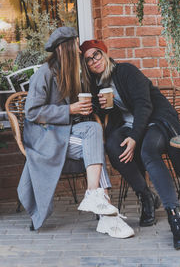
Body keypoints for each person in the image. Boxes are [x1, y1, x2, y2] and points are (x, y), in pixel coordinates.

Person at [18, 27, 134, 239]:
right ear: (64, 49)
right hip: (45, 136)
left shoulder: (69, 72)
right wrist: (69, 109)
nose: (80, 52)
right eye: (76, 46)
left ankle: (95, 196)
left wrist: (89, 106)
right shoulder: (43, 74)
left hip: (64, 131)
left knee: (92, 130)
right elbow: (32, 112)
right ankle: (107, 216)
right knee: (95, 146)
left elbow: (79, 107)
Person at [80, 39, 180, 250]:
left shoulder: (126, 71)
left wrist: (134, 137)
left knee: (148, 149)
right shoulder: (97, 86)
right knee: (113, 145)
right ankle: (146, 196)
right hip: (129, 125)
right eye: (88, 60)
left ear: (104, 54)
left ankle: (175, 216)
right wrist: (101, 107)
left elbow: (144, 105)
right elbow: (112, 117)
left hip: (156, 120)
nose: (93, 61)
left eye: (96, 55)